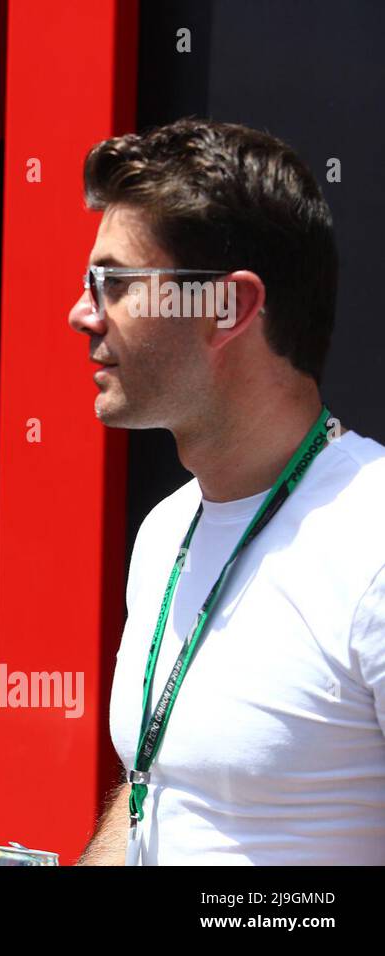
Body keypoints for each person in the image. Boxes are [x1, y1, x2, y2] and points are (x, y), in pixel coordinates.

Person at [69, 118, 385, 865]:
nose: (82, 313)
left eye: (114, 283)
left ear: (228, 308)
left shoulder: (372, 538)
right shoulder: (165, 531)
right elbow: (162, 791)